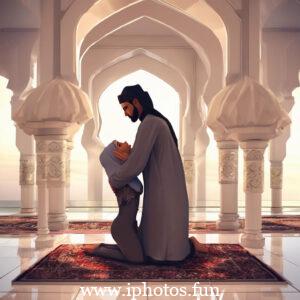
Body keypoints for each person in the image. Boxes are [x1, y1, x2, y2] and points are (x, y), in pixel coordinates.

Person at [109, 84, 194, 264]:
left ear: (136, 102)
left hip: (164, 191)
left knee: (157, 252)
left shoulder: (150, 123)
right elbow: (145, 157)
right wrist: (129, 156)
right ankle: (185, 248)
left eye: (126, 108)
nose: (125, 113)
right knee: (158, 239)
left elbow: (136, 165)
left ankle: (165, 256)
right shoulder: (155, 121)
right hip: (168, 189)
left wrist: (115, 179)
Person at [92, 140, 145, 263]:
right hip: (122, 228)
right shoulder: (121, 182)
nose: (126, 142)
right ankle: (97, 251)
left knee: (139, 254)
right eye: (120, 144)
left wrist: (128, 159)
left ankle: (103, 246)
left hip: (128, 227)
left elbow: (134, 166)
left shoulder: (126, 179)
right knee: (138, 260)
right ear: (115, 156)